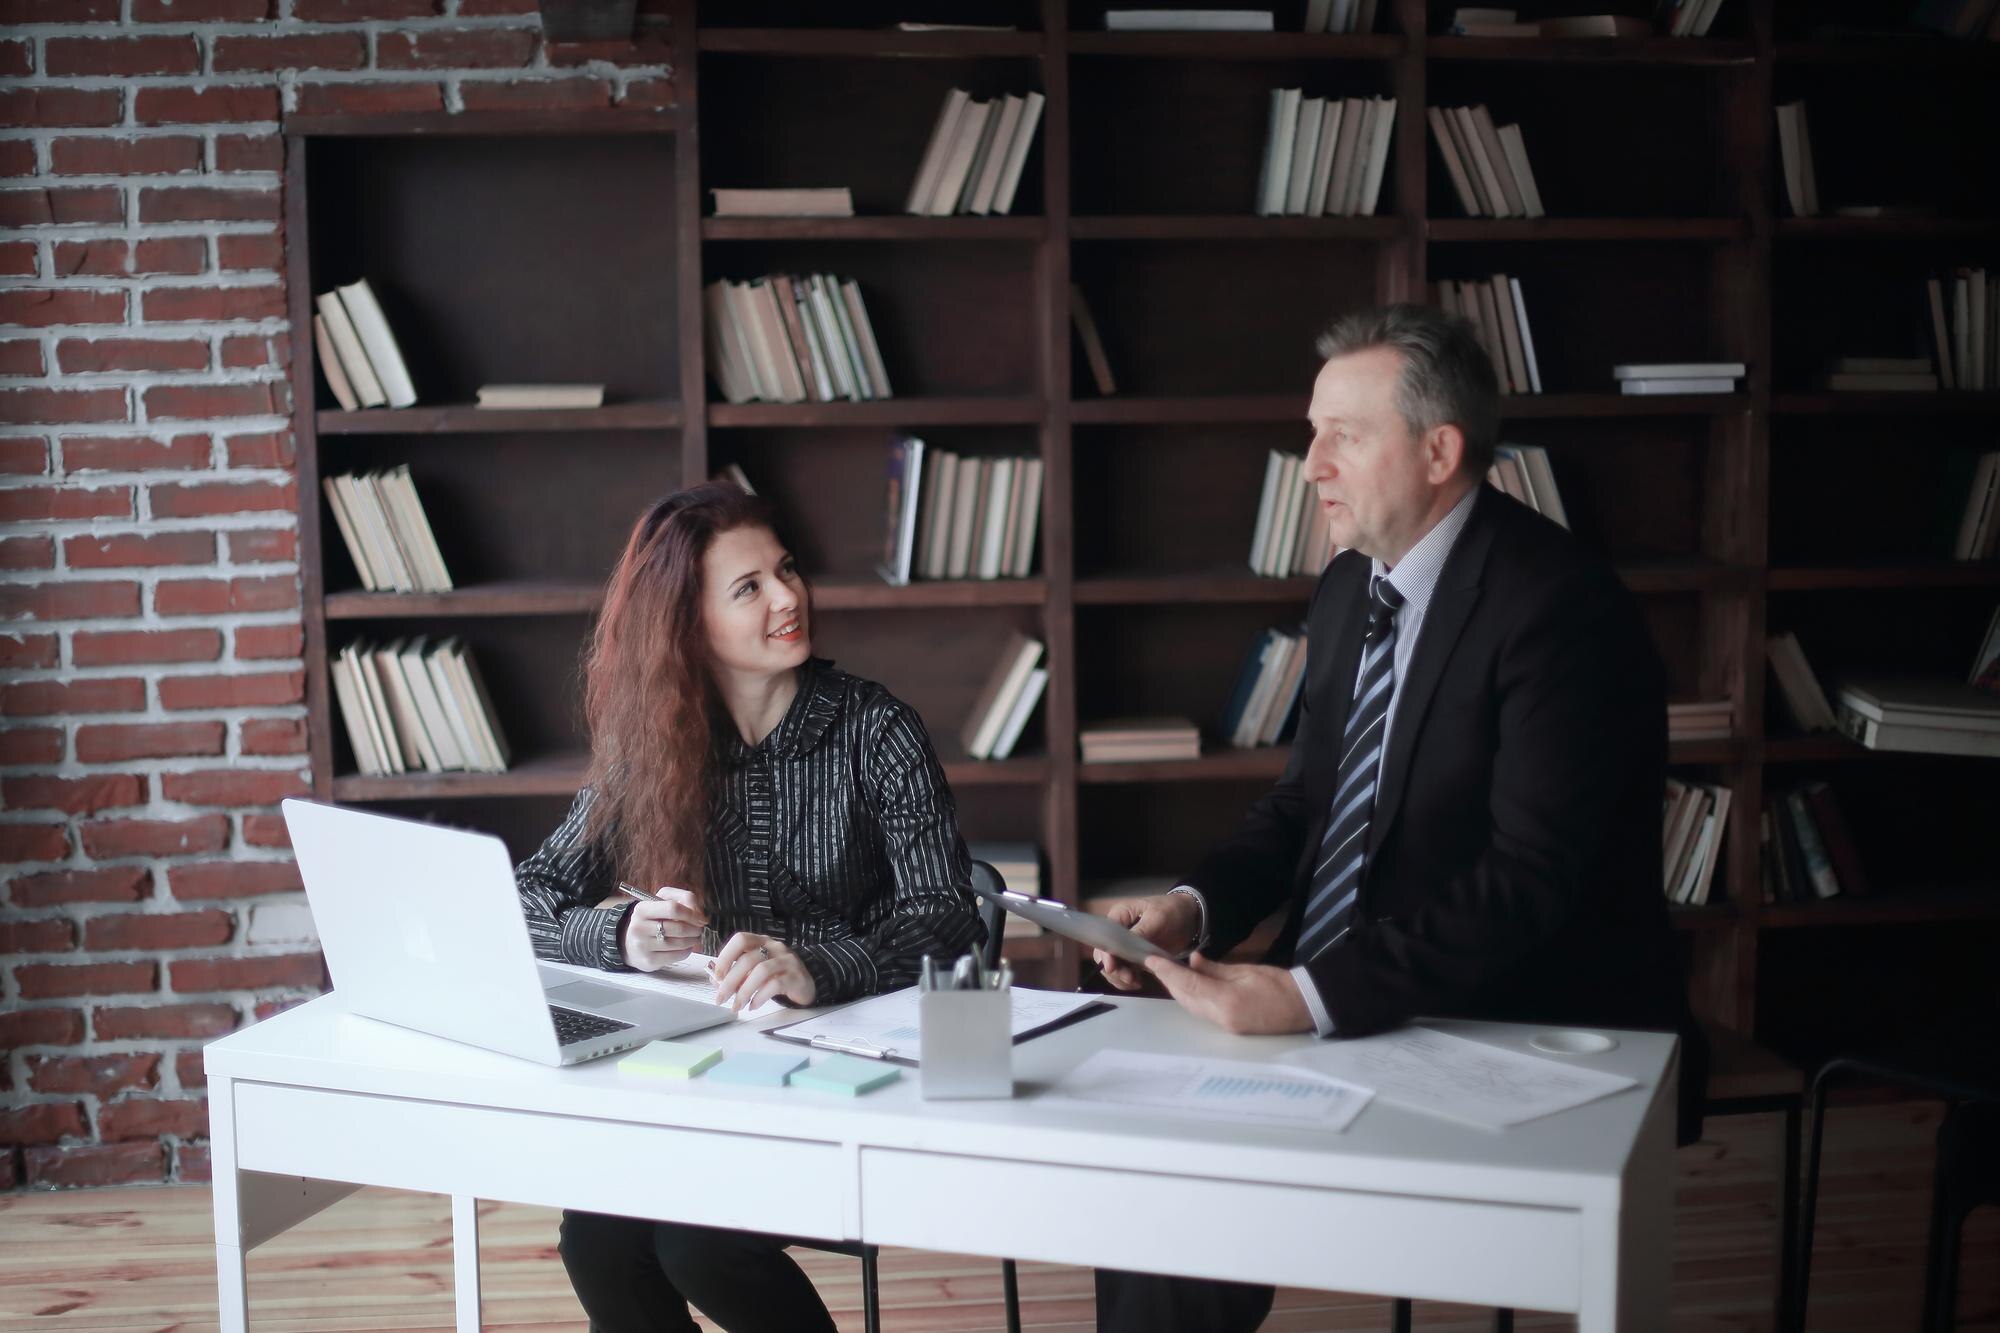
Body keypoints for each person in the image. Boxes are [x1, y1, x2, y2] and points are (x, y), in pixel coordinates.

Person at [1090, 304, 1701, 1333]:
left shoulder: (1559, 606)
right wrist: (1195, 909)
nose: (1309, 464)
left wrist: (1306, 998)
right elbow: (1301, 807)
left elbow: (1529, 882)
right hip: (1354, 987)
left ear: (1437, 451)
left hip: (1518, 1008)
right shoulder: (1345, 588)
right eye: (1310, 432)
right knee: (1154, 1183)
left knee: (1192, 1201)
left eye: (1342, 434)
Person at [513, 481, 984, 1333]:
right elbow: (525, 898)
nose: (788, 597)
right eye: (750, 587)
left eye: (787, 570)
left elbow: (949, 915)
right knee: (596, 1240)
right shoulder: (650, 750)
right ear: (689, 626)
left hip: (861, 1080)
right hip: (714, 1082)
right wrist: (619, 933)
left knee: (701, 1245)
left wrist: (818, 965)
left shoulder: (878, 731)